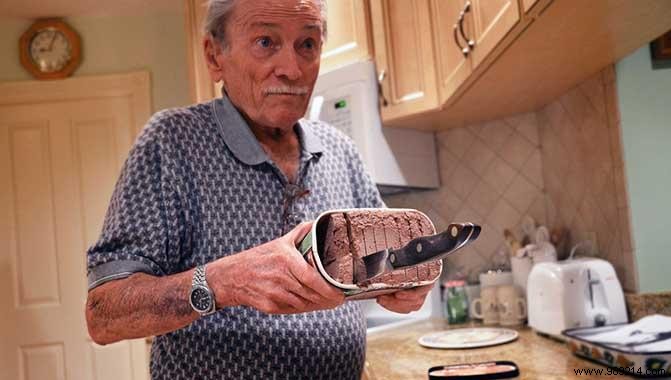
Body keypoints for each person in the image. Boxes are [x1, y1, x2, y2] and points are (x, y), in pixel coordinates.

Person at [84, 0, 433, 378]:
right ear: (215, 56)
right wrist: (224, 281)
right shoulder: (172, 143)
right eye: (265, 42)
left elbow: (384, 260)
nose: (292, 69)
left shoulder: (340, 150)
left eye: (307, 44)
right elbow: (104, 314)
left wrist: (405, 281)